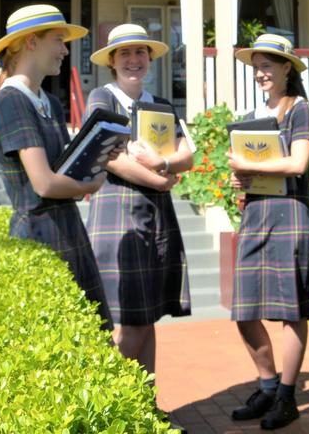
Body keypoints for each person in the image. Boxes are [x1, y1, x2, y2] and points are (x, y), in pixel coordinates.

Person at [226, 34, 309, 430]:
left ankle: (287, 396)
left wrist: (249, 165)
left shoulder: (301, 109)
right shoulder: (254, 116)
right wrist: (242, 178)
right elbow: (261, 169)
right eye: (256, 66)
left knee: (290, 311)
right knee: (244, 310)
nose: (261, 73)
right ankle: (268, 386)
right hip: (256, 214)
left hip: (290, 215)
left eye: (268, 65)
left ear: (287, 67)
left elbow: (296, 164)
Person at [0, 4, 111, 327]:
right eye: (58, 40)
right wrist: (89, 186)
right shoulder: (11, 102)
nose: (65, 50)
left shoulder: (48, 102)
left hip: (68, 228)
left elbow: (63, 170)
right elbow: (45, 183)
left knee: (95, 334)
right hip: (39, 236)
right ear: (31, 42)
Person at [84, 23, 193, 378]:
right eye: (125, 53)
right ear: (112, 61)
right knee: (129, 322)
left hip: (156, 219)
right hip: (118, 215)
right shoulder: (103, 98)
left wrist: (161, 164)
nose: (134, 60)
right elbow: (110, 157)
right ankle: (112, 405)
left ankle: (147, 409)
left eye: (141, 52)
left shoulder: (160, 104)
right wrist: (162, 181)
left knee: (147, 318)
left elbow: (186, 155)